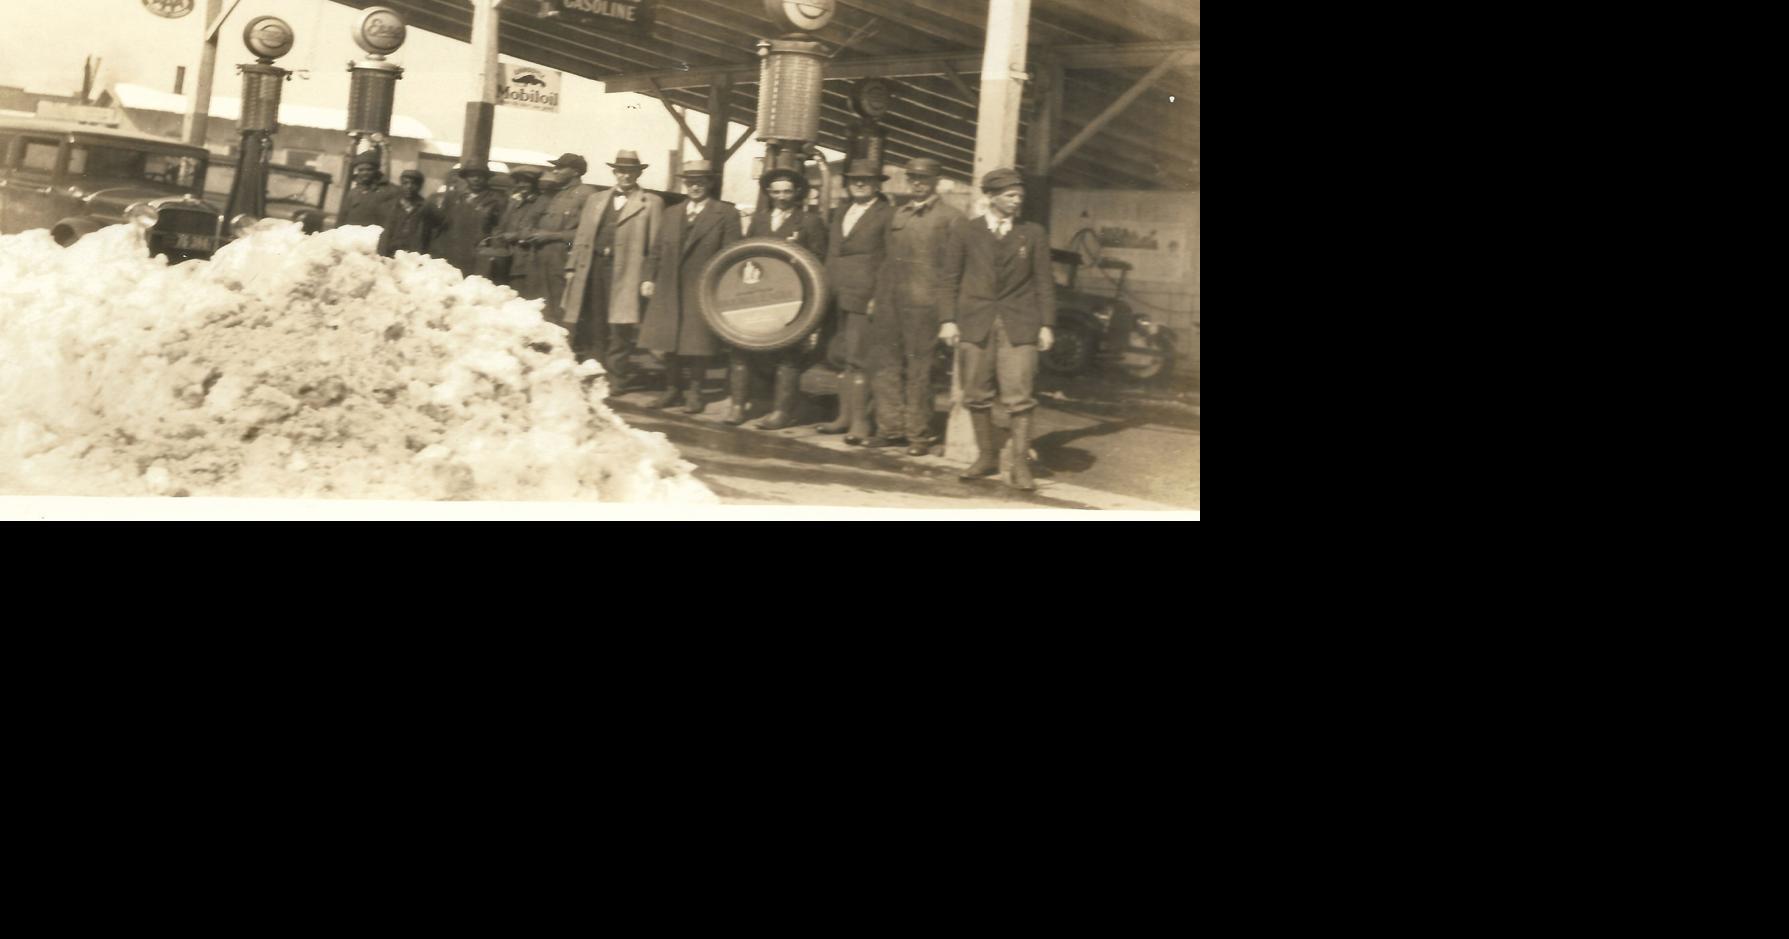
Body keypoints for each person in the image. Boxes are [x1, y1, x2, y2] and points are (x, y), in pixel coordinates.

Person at [937, 167, 1056, 491]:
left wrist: (1046, 324)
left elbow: (1044, 282)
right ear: (989, 197)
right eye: (1009, 195)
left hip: (1020, 325)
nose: (1017, 201)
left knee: (1020, 397)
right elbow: (949, 278)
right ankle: (986, 456)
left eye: (1020, 196)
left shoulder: (1033, 234)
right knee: (976, 394)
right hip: (975, 322)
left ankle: (1019, 464)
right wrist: (947, 320)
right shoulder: (965, 230)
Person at [868, 157, 962, 454]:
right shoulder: (898, 215)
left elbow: (954, 268)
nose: (917, 183)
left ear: (936, 181)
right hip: (890, 302)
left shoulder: (951, 218)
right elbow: (885, 260)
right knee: (886, 366)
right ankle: (889, 428)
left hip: (925, 305)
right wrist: (876, 297)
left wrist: (948, 312)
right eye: (913, 178)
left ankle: (918, 434)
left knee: (920, 370)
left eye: (923, 178)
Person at [724, 165, 829, 428]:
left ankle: (782, 411)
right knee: (742, 347)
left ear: (796, 193)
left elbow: (819, 261)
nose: (782, 197)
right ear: (769, 193)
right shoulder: (759, 220)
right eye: (776, 191)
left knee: (787, 353)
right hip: (757, 294)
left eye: (787, 191)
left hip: (792, 297)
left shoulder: (809, 222)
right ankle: (738, 406)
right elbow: (744, 253)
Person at [640, 159, 739, 414]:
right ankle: (672, 389)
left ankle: (695, 391)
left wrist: (723, 287)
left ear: (710, 183)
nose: (695, 187)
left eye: (701, 182)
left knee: (697, 342)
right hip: (669, 285)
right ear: (685, 184)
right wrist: (648, 278)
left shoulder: (726, 213)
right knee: (668, 339)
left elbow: (731, 253)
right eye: (691, 182)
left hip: (702, 286)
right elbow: (657, 250)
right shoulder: (672, 213)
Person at [563, 149, 664, 389]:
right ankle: (596, 373)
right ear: (614, 172)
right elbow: (582, 236)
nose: (625, 176)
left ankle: (617, 376)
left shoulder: (651, 203)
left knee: (621, 325)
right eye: (621, 171)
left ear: (638, 174)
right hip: (593, 267)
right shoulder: (596, 200)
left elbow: (655, 245)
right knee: (593, 320)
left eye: (630, 172)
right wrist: (571, 267)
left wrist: (648, 277)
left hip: (628, 272)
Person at [817, 158, 894, 445]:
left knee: (859, 359)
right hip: (838, 294)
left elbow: (889, 260)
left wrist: (878, 297)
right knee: (840, 356)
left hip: (865, 296)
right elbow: (832, 253)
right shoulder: (842, 212)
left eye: (866, 180)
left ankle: (861, 423)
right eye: (854, 180)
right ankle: (843, 417)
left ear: (876, 184)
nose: (859, 184)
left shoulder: (887, 214)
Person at [514, 153, 597, 327]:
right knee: (536, 304)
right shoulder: (551, 194)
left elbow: (587, 235)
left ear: (575, 172)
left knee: (558, 306)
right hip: (538, 255)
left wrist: (553, 236)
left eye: (560, 167)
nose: (555, 171)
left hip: (563, 256)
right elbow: (528, 221)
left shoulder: (587, 195)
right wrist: (529, 233)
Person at [431, 165, 508, 277]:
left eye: (480, 176)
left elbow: (499, 230)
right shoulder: (453, 197)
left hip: (477, 256)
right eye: (472, 175)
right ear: (466, 177)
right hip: (452, 253)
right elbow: (441, 225)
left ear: (486, 178)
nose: (476, 179)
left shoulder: (496, 200)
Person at [489, 166, 549, 299]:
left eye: (526, 181)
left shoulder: (543, 203)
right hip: (505, 259)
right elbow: (501, 225)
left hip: (526, 261)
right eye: (518, 182)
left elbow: (542, 230)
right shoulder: (514, 202)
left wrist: (516, 236)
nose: (522, 185)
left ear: (535, 184)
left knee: (520, 299)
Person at [376, 169, 440, 257]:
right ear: (401, 185)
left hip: (414, 256)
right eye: (405, 183)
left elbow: (438, 227)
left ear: (420, 186)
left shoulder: (427, 207)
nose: (409, 186)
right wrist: (382, 255)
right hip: (392, 254)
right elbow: (386, 233)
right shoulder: (392, 206)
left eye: (414, 184)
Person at [338, 150, 398, 228]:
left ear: (376, 170)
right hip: (352, 236)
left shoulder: (389, 191)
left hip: (375, 237)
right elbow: (342, 218)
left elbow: (392, 221)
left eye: (369, 169)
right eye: (361, 170)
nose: (364, 173)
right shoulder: (353, 193)